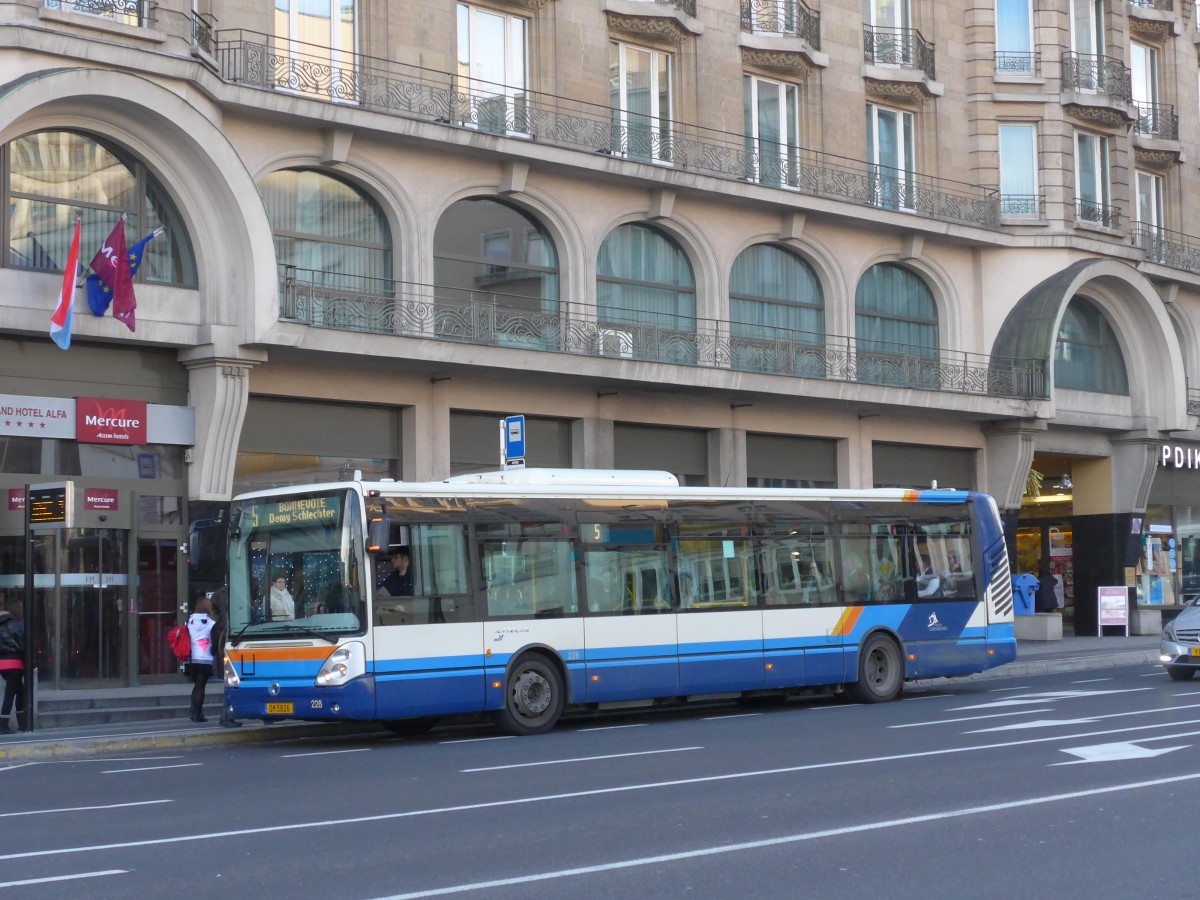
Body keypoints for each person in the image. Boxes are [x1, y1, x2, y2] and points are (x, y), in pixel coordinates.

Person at [208, 587, 240, 728]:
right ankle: (226, 715)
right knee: (230, 681)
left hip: (229, 636)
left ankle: (228, 714)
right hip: (229, 637)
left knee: (230, 681)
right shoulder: (237, 591)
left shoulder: (220, 594)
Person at [185, 595, 217, 723]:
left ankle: (194, 711)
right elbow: (214, 643)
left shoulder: (189, 622)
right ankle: (197, 714)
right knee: (201, 686)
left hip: (191, 658)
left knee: (196, 686)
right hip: (204, 659)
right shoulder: (211, 623)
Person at [0, 598, 26, 734]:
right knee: (10, 694)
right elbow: (23, 646)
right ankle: (3, 726)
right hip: (15, 664)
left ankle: (22, 723)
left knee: (20, 691)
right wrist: (31, 664)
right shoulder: (17, 624)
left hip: (2, 665)